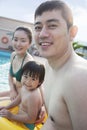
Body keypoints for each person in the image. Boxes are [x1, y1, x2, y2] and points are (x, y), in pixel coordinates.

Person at [34, 0, 87, 130]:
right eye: (38, 27)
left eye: (52, 26)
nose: (42, 34)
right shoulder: (48, 67)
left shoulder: (79, 78)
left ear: (72, 33)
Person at [0, 61, 45, 130]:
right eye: (26, 76)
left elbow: (31, 119)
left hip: (26, 125)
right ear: (21, 75)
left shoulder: (33, 96)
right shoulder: (24, 87)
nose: (28, 81)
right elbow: (17, 100)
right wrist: (6, 107)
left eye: (33, 79)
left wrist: (11, 116)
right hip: (19, 116)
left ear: (40, 82)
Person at [0, 26, 33, 100]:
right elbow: (10, 76)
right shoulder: (13, 55)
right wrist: (12, 90)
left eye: (23, 41)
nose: (18, 44)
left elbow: (30, 90)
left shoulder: (29, 62)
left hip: (22, 97)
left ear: (29, 43)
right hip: (14, 92)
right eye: (15, 39)